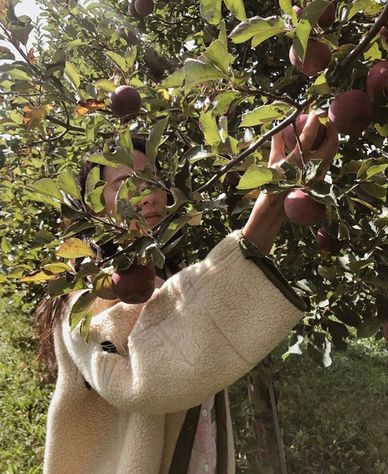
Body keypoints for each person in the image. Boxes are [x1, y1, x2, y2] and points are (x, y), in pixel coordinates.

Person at [36, 113, 339, 474]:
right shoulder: (85, 296)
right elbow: (138, 376)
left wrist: (279, 197)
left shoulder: (167, 281)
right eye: (125, 184)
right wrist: (269, 208)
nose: (146, 194)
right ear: (95, 207)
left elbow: (198, 324)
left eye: (152, 180)